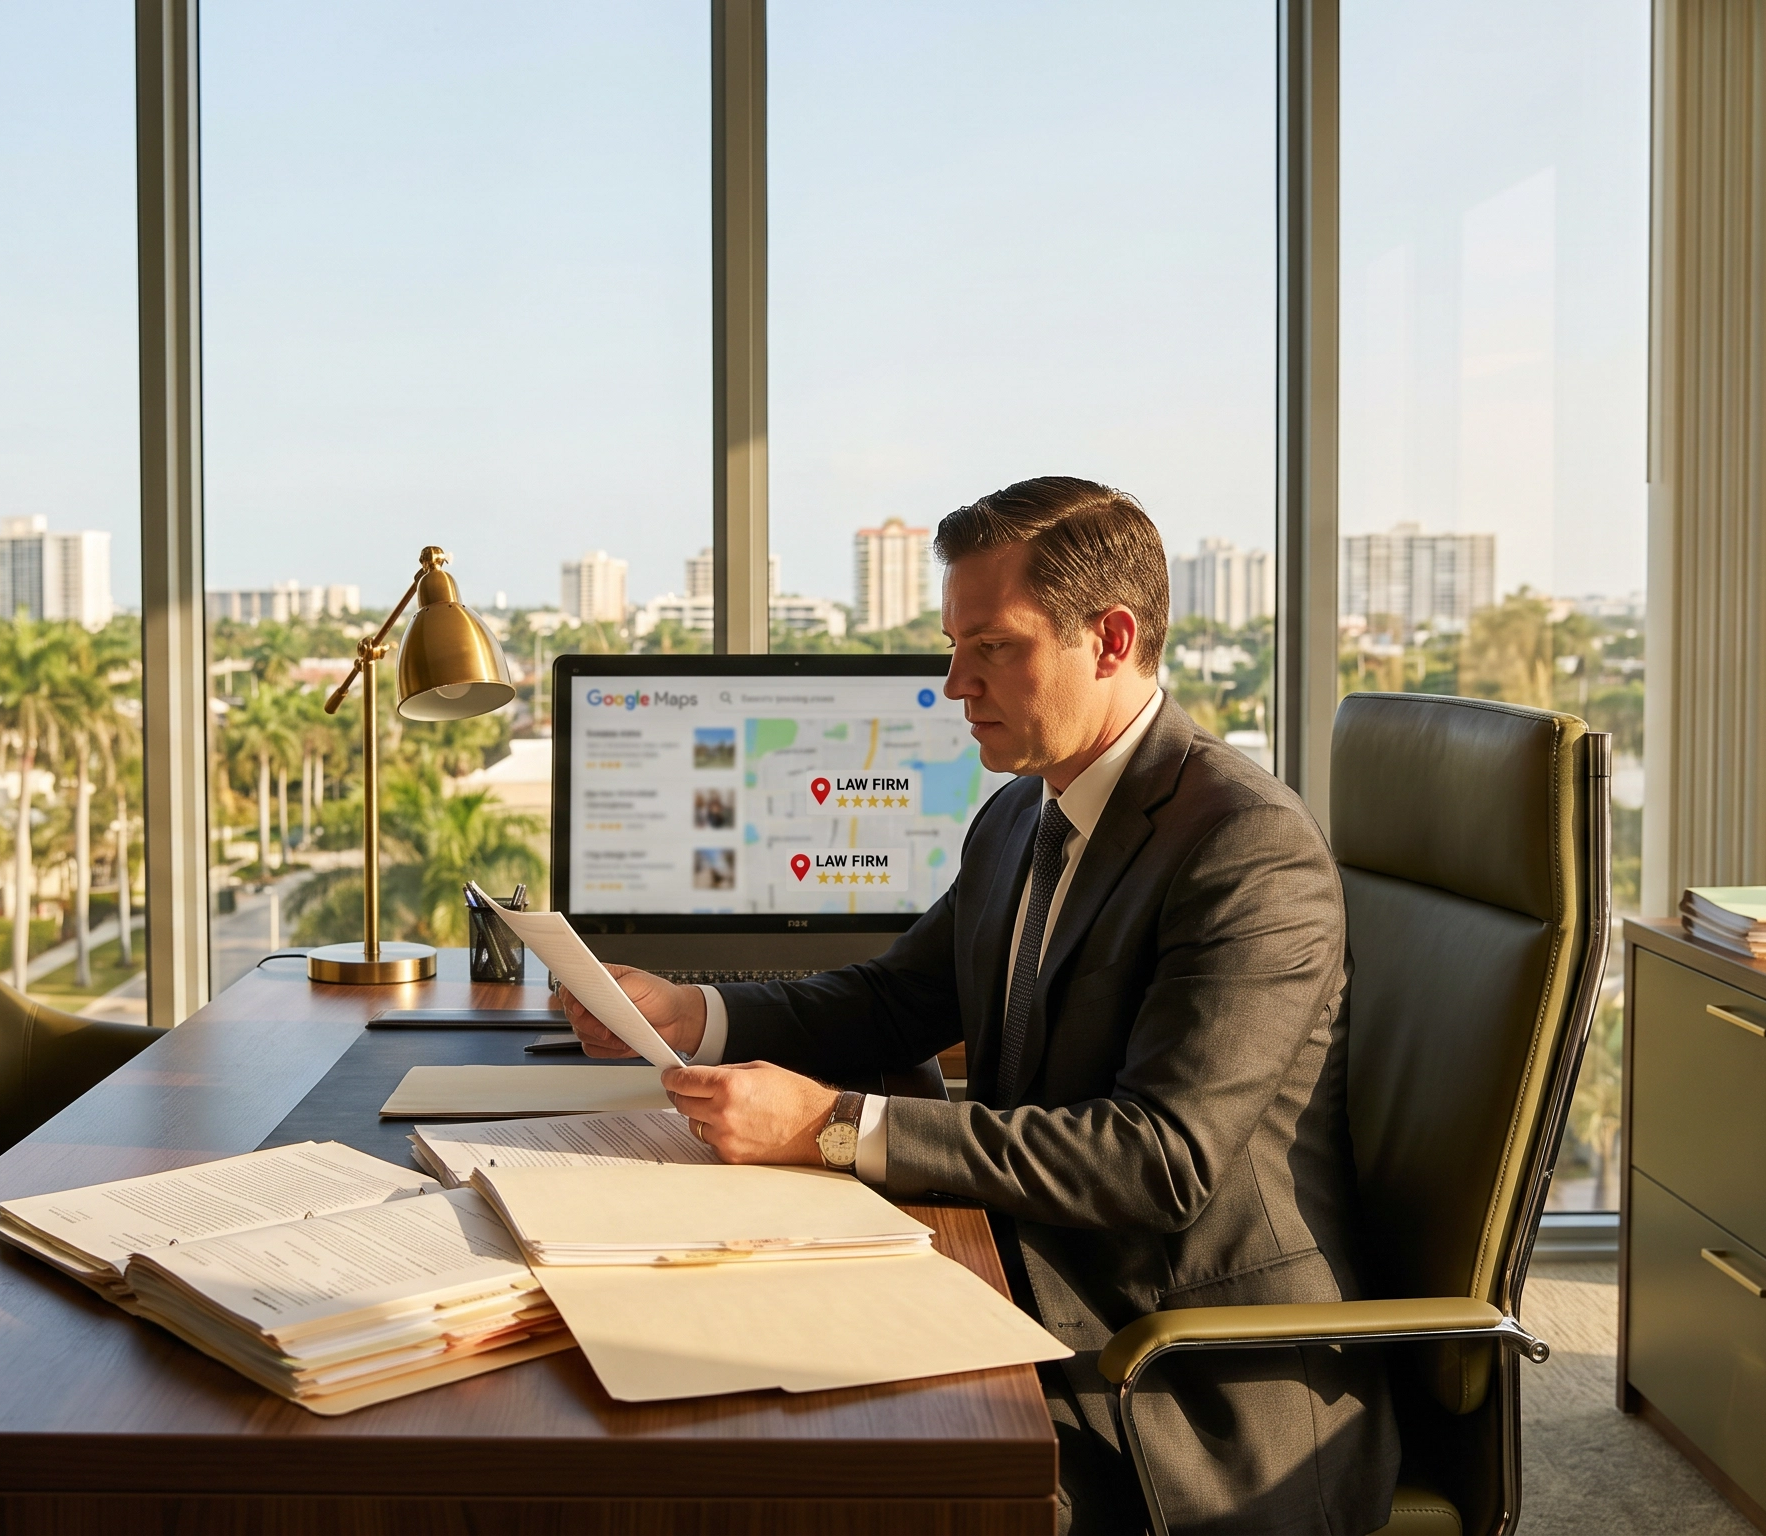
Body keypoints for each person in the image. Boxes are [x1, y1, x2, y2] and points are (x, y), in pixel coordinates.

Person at [563, 477, 1398, 1535]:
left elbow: (1159, 1158)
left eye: (991, 647)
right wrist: (694, 1013)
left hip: (1174, 1371)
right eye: (953, 647)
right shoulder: (1019, 816)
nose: (952, 683)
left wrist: (825, 1129)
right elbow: (895, 1002)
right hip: (1027, 1274)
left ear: (1109, 639)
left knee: (800, 1458)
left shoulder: (1245, 848)